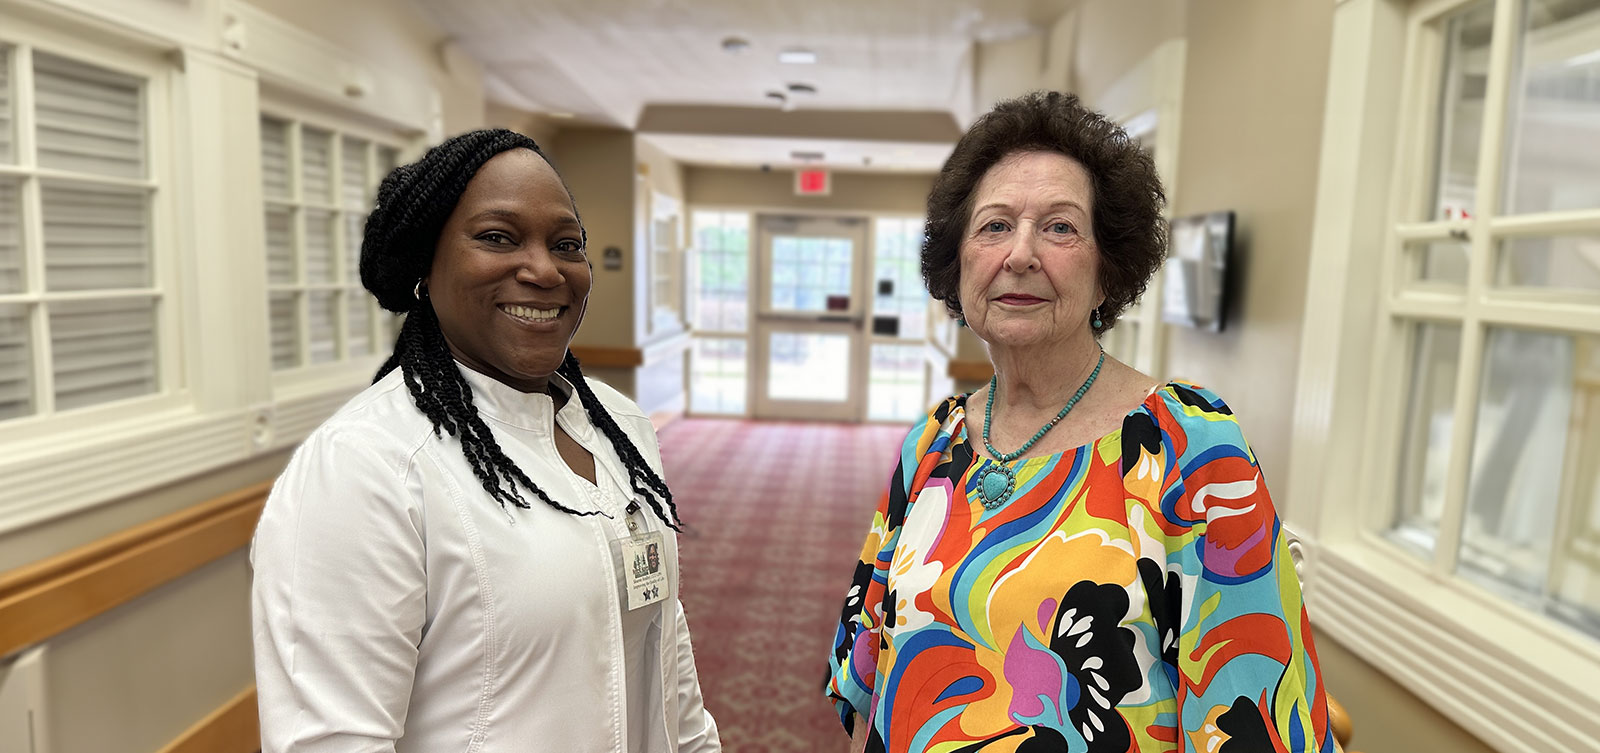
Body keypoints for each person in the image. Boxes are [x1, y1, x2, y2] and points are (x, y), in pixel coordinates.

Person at [825, 92, 1337, 753]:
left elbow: (1255, 716)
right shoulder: (934, 439)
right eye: (994, 226)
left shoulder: (1189, 448)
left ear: (1107, 272)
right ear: (959, 265)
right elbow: (870, 665)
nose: (1020, 254)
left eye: (1060, 227)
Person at [251, 128, 720, 753]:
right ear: (426, 263)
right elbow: (332, 740)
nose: (545, 269)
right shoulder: (366, 465)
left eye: (566, 244)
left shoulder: (617, 423)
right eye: (498, 237)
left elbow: (663, 641)